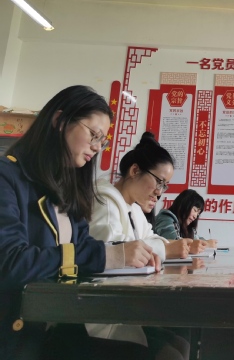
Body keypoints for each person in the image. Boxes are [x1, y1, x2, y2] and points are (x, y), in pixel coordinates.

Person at [0, 86, 158, 360]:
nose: (97, 147)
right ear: (59, 121)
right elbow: (11, 262)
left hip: (55, 328)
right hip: (17, 336)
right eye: (94, 135)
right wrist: (109, 255)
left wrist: (126, 254)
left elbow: (83, 244)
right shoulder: (7, 176)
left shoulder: (64, 187)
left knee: (160, 349)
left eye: (102, 141)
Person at [90, 132, 192, 262]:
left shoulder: (135, 209)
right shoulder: (104, 201)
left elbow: (151, 237)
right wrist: (166, 250)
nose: (159, 192)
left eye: (164, 185)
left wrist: (171, 246)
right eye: (159, 182)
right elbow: (111, 250)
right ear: (135, 171)